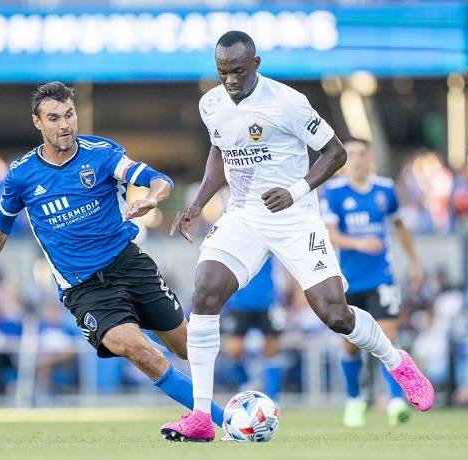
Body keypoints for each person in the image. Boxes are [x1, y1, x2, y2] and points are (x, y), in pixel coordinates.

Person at [162, 31, 433, 442]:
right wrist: (199, 203)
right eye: (222, 73)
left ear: (256, 63)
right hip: (245, 215)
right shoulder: (211, 103)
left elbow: (335, 152)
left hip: (295, 215)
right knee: (204, 292)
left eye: (237, 71)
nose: (230, 80)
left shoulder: (287, 103)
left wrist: (296, 190)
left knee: (335, 314)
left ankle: (397, 361)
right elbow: (220, 150)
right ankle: (201, 416)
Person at [0, 81, 224, 427]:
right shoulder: (21, 175)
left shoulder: (102, 153)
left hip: (129, 265)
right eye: (54, 118)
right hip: (85, 289)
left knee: (188, 348)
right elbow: (1, 224)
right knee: (140, 350)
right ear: (37, 123)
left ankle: (229, 410)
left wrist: (153, 196)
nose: (65, 125)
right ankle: (221, 420)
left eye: (69, 115)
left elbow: (158, 178)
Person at [320, 137, 423, 427]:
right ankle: (354, 399)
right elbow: (330, 234)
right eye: (350, 154)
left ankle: (395, 401)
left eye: (361, 154)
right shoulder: (334, 192)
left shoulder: (385, 190)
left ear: (370, 158)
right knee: (350, 345)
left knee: (388, 337)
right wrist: (360, 243)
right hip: (348, 280)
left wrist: (415, 263)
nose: (356, 159)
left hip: (382, 276)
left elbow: (400, 227)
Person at [221, 258, 283, 402]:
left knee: (272, 349)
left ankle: (273, 397)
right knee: (234, 349)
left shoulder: (267, 238)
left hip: (267, 300)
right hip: (239, 301)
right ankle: (248, 383)